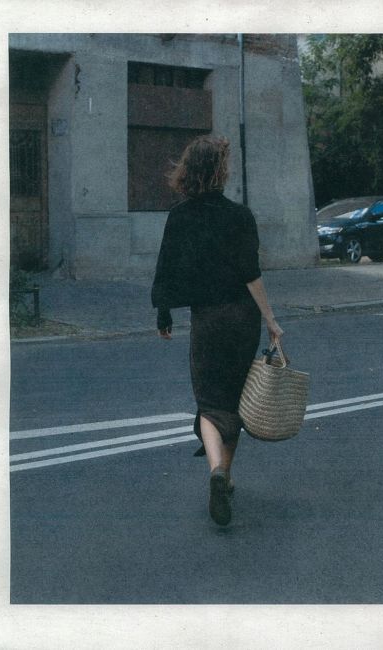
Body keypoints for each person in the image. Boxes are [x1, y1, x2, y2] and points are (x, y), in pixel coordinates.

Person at [151, 135, 283, 526]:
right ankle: (227, 473)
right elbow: (251, 275)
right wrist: (271, 320)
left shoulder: (179, 216)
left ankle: (216, 471)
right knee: (236, 400)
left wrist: (163, 315)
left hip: (207, 320)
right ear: (220, 171)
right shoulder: (240, 216)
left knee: (210, 402)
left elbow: (166, 268)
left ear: (188, 170)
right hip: (243, 319)